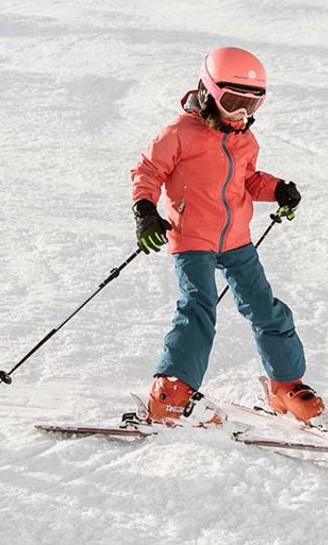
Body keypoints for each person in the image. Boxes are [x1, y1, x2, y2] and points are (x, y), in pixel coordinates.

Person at [131, 47, 316, 426]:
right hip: (192, 238)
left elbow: (246, 179)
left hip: (236, 240)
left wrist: (278, 189)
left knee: (266, 308)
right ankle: (171, 390)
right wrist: (146, 212)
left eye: (252, 105)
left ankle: (285, 385)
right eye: (233, 102)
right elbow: (147, 172)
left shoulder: (244, 140)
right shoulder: (178, 134)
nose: (241, 115)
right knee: (199, 308)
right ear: (208, 91)